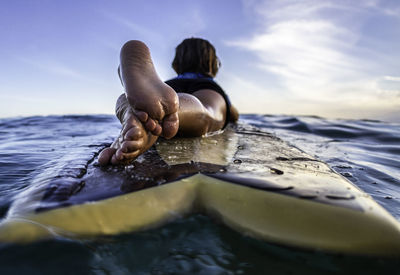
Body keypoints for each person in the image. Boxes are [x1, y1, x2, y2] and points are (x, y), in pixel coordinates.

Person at [98, 38, 239, 166]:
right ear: (214, 63)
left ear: (176, 64)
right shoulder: (209, 85)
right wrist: (230, 111)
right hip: (205, 87)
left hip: (170, 87)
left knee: (167, 100)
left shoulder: (168, 86)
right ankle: (169, 111)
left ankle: (136, 109)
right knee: (207, 111)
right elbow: (233, 116)